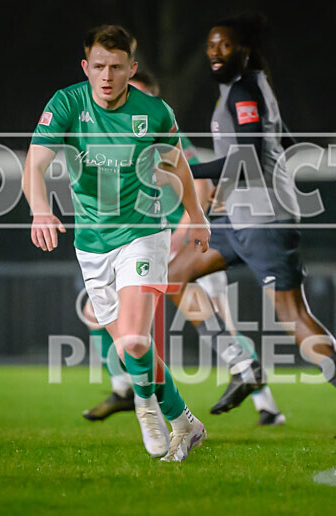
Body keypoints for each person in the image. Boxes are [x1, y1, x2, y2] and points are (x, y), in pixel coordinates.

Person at [163, 13, 336, 437]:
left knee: (293, 316)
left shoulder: (245, 88)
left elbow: (250, 154)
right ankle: (242, 364)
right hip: (241, 216)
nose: (214, 52)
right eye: (211, 45)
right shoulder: (250, 86)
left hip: (264, 219)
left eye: (224, 45)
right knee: (173, 275)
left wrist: (189, 172)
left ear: (243, 49)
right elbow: (280, 140)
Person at [22, 25, 209, 462]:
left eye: (117, 67)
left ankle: (146, 409)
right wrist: (40, 208)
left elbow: (179, 167)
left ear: (132, 69)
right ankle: (186, 422)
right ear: (86, 67)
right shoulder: (67, 102)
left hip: (144, 235)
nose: (107, 76)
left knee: (133, 342)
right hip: (92, 245)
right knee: (133, 349)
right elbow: (34, 163)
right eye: (99, 67)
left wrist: (196, 217)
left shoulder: (155, 112)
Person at [82, 70, 286, 426]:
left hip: (187, 245)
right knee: (97, 310)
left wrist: (179, 233)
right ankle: (123, 388)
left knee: (222, 326)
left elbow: (203, 184)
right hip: (146, 251)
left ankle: (267, 406)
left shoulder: (165, 136)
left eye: (138, 94)